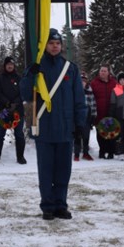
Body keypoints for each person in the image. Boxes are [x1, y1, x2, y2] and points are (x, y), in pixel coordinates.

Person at [20, 28, 87, 220]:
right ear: (45, 45)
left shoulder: (70, 69)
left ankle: (61, 205)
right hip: (45, 128)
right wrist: (29, 76)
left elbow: (78, 99)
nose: (55, 46)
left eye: (58, 43)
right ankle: (47, 206)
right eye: (51, 43)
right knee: (46, 171)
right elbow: (26, 95)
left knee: (63, 171)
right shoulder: (37, 67)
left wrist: (80, 123)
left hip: (66, 128)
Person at [0, 57, 26, 164]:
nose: (10, 66)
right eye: (8, 64)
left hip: (17, 110)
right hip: (4, 110)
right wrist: (7, 103)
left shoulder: (19, 78)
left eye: (12, 64)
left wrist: (15, 103)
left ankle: (20, 157)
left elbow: (23, 93)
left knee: (19, 134)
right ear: (5, 66)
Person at [74, 72, 97, 161]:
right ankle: (76, 154)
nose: (83, 82)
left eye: (84, 81)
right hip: (77, 117)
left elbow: (93, 104)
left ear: (87, 82)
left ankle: (86, 153)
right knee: (77, 136)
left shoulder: (90, 92)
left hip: (87, 117)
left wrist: (93, 116)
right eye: (81, 81)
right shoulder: (75, 91)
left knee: (86, 136)